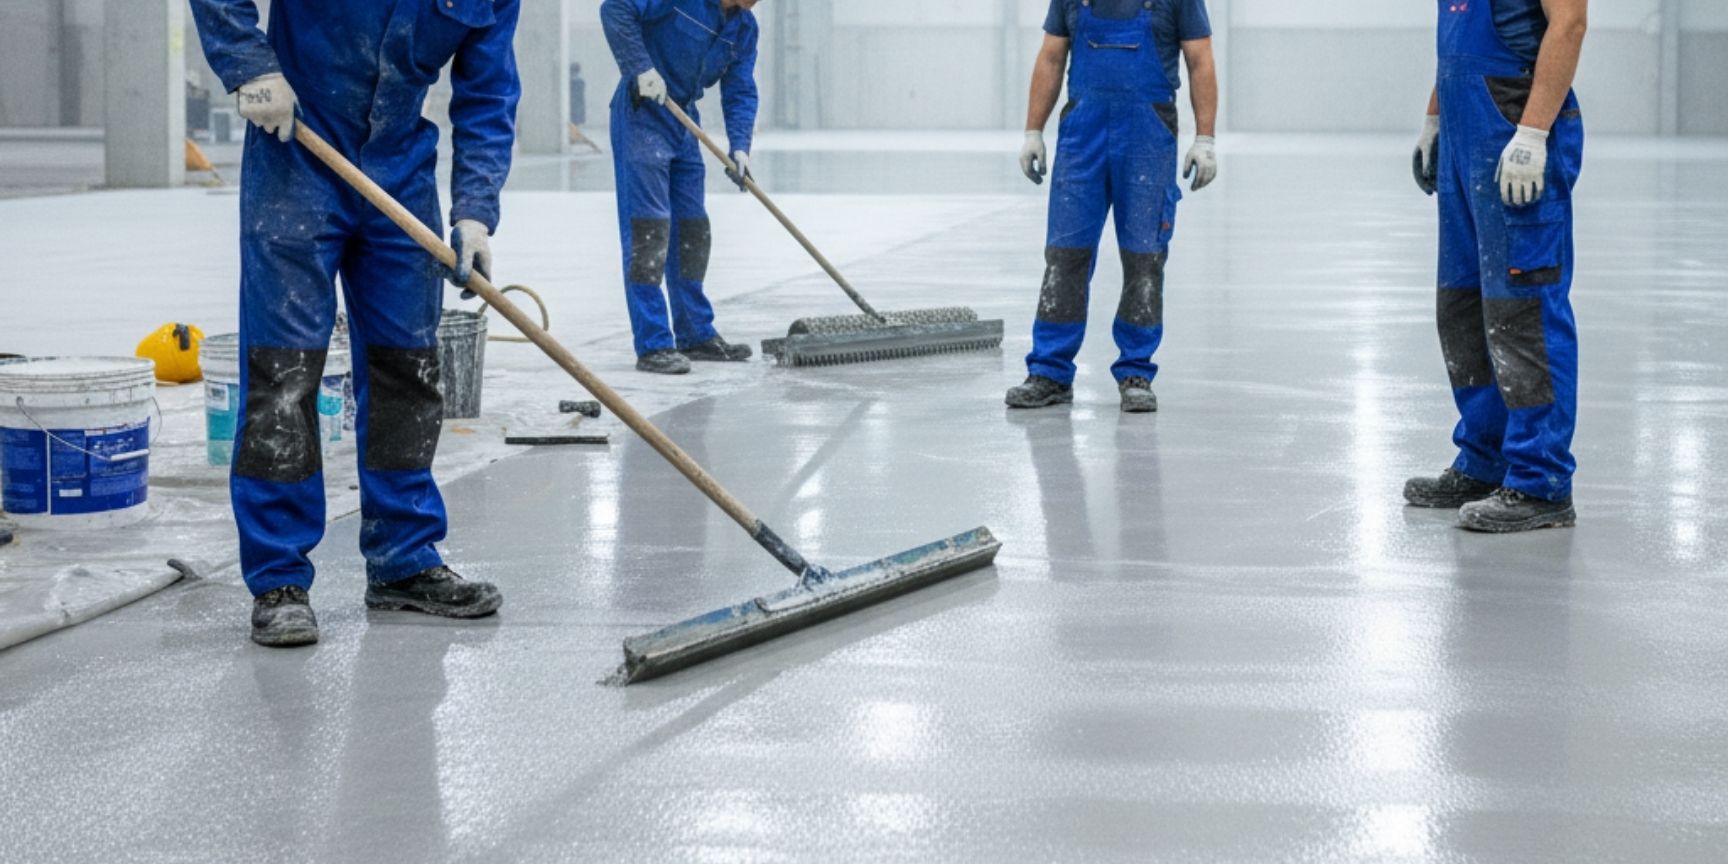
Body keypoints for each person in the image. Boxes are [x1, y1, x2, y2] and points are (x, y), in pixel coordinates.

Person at [188, 0, 520, 646]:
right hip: (298, 153)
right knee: (283, 374)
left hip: (398, 165)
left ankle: (404, 559)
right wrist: (249, 63)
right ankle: (280, 577)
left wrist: (476, 210)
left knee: (407, 368)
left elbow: (488, 91)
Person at [1405, 0, 1587, 533]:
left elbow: (1570, 24)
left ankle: (1540, 480)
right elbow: (1455, 49)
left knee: (1523, 310)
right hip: (1466, 135)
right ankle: (1484, 461)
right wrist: (1434, 116)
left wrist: (1532, 134)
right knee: (1463, 307)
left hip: (1510, 127)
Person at [1007, 0, 1218, 413]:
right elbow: (1051, 56)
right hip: (1082, 134)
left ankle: (1136, 371)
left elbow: (1200, 58)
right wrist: (1033, 130)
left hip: (1146, 135)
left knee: (1144, 257)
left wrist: (1205, 139)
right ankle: (1049, 371)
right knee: (1065, 255)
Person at [602, 0, 762, 375]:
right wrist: (640, 68)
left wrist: (740, 146)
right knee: (649, 231)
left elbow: (740, 87)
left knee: (693, 229)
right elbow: (615, 8)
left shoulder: (744, 28)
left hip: (683, 119)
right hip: (642, 115)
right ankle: (654, 343)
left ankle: (695, 334)